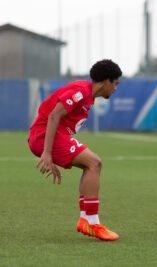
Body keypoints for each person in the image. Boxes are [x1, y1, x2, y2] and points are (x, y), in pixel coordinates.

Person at [28, 59, 122, 241]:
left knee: (91, 165)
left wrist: (51, 153)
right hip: (43, 135)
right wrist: (47, 152)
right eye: (115, 83)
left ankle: (86, 221)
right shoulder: (81, 92)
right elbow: (54, 115)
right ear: (106, 81)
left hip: (47, 137)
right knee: (95, 163)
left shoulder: (88, 96)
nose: (116, 88)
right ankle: (92, 223)